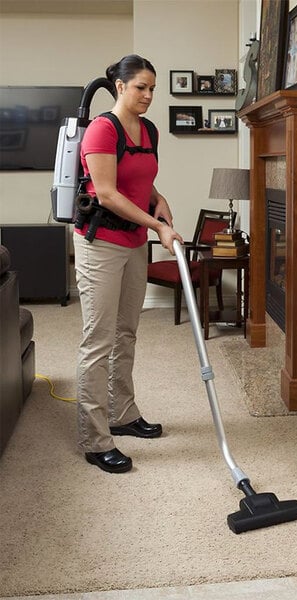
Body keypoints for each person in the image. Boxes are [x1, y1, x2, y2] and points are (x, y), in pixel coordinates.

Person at [74, 54, 183, 474]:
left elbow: (137, 179)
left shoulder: (148, 129)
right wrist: (158, 225)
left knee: (126, 332)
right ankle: (94, 438)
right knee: (98, 340)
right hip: (101, 244)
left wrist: (159, 199)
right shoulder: (103, 129)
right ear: (119, 86)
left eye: (152, 88)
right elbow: (106, 192)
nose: (148, 95)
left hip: (135, 241)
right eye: (141, 87)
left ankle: (122, 414)